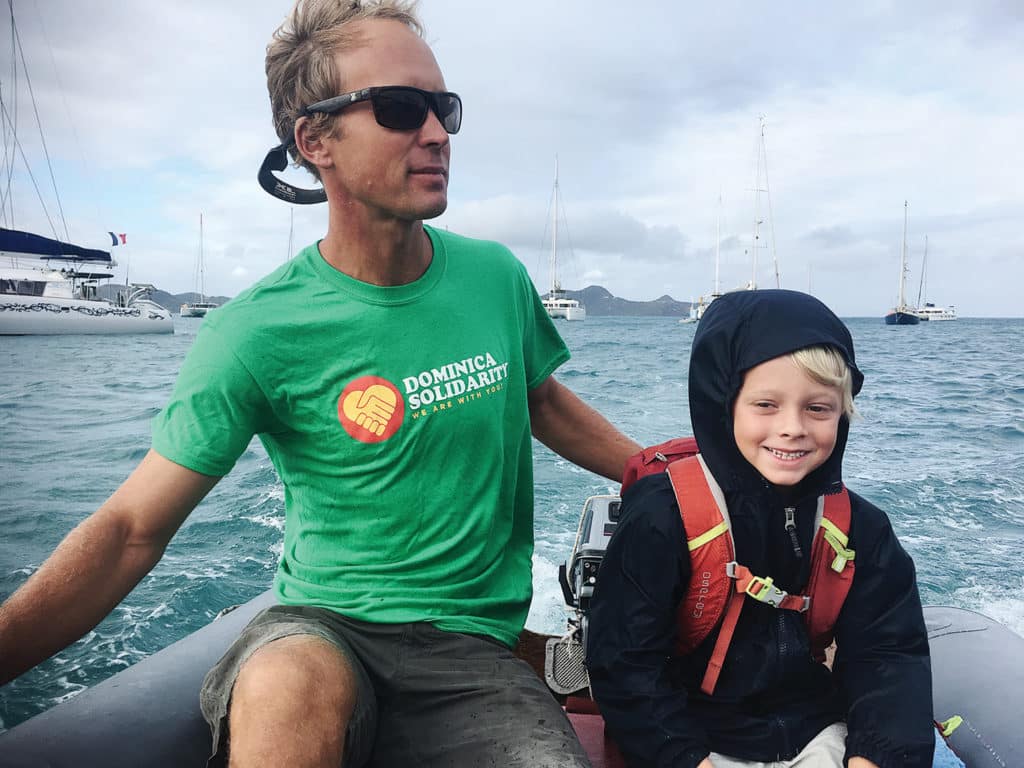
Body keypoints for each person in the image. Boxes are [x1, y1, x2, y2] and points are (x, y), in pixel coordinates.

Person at [0, 1, 640, 765]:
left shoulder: (495, 278)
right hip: (319, 629)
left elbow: (538, 400)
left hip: (472, 652)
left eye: (443, 109)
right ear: (314, 140)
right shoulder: (254, 331)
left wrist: (665, 467)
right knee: (284, 687)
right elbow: (132, 531)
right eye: (402, 109)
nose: (436, 133)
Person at [585, 289, 935, 767]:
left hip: (815, 729)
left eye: (818, 408)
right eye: (766, 405)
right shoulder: (661, 517)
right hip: (689, 738)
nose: (792, 427)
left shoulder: (861, 530)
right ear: (722, 403)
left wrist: (874, 756)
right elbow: (625, 666)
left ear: (844, 413)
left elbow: (889, 655)